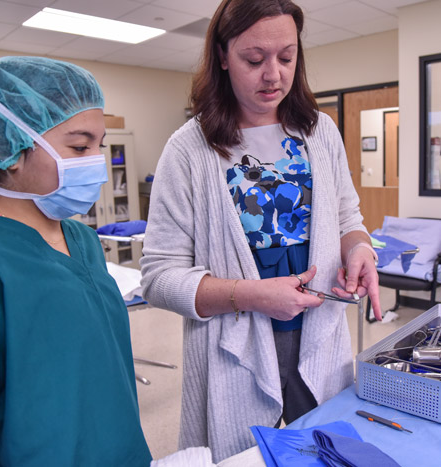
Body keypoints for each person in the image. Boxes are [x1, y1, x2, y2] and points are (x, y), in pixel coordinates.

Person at [140, 0, 382, 461]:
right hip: (235, 345)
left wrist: (360, 250)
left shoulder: (320, 132)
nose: (273, 74)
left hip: (319, 335)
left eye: (287, 57)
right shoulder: (189, 149)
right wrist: (251, 295)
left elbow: (348, 218)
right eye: (255, 59)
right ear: (223, 55)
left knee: (330, 451)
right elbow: (158, 278)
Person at [0, 56, 152, 466]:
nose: (94, 162)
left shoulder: (82, 239)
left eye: (98, 147)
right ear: (10, 149)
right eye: (80, 146)